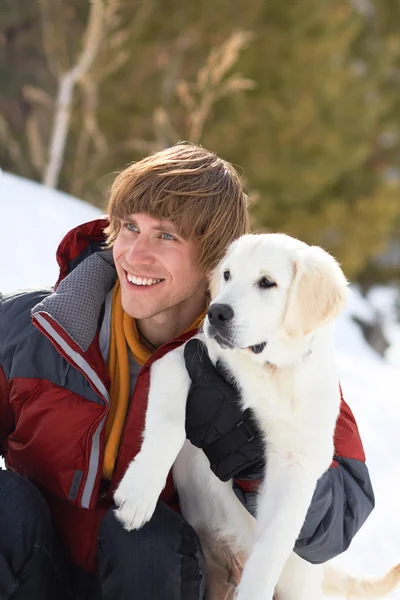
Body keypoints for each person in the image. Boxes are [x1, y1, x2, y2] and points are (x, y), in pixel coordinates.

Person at [0, 143, 374, 600]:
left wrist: (254, 459)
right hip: (40, 574)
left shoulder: (276, 365)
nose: (136, 255)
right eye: (129, 228)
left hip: (167, 578)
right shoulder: (34, 329)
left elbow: (338, 524)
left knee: (144, 537)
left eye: (166, 236)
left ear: (215, 259)